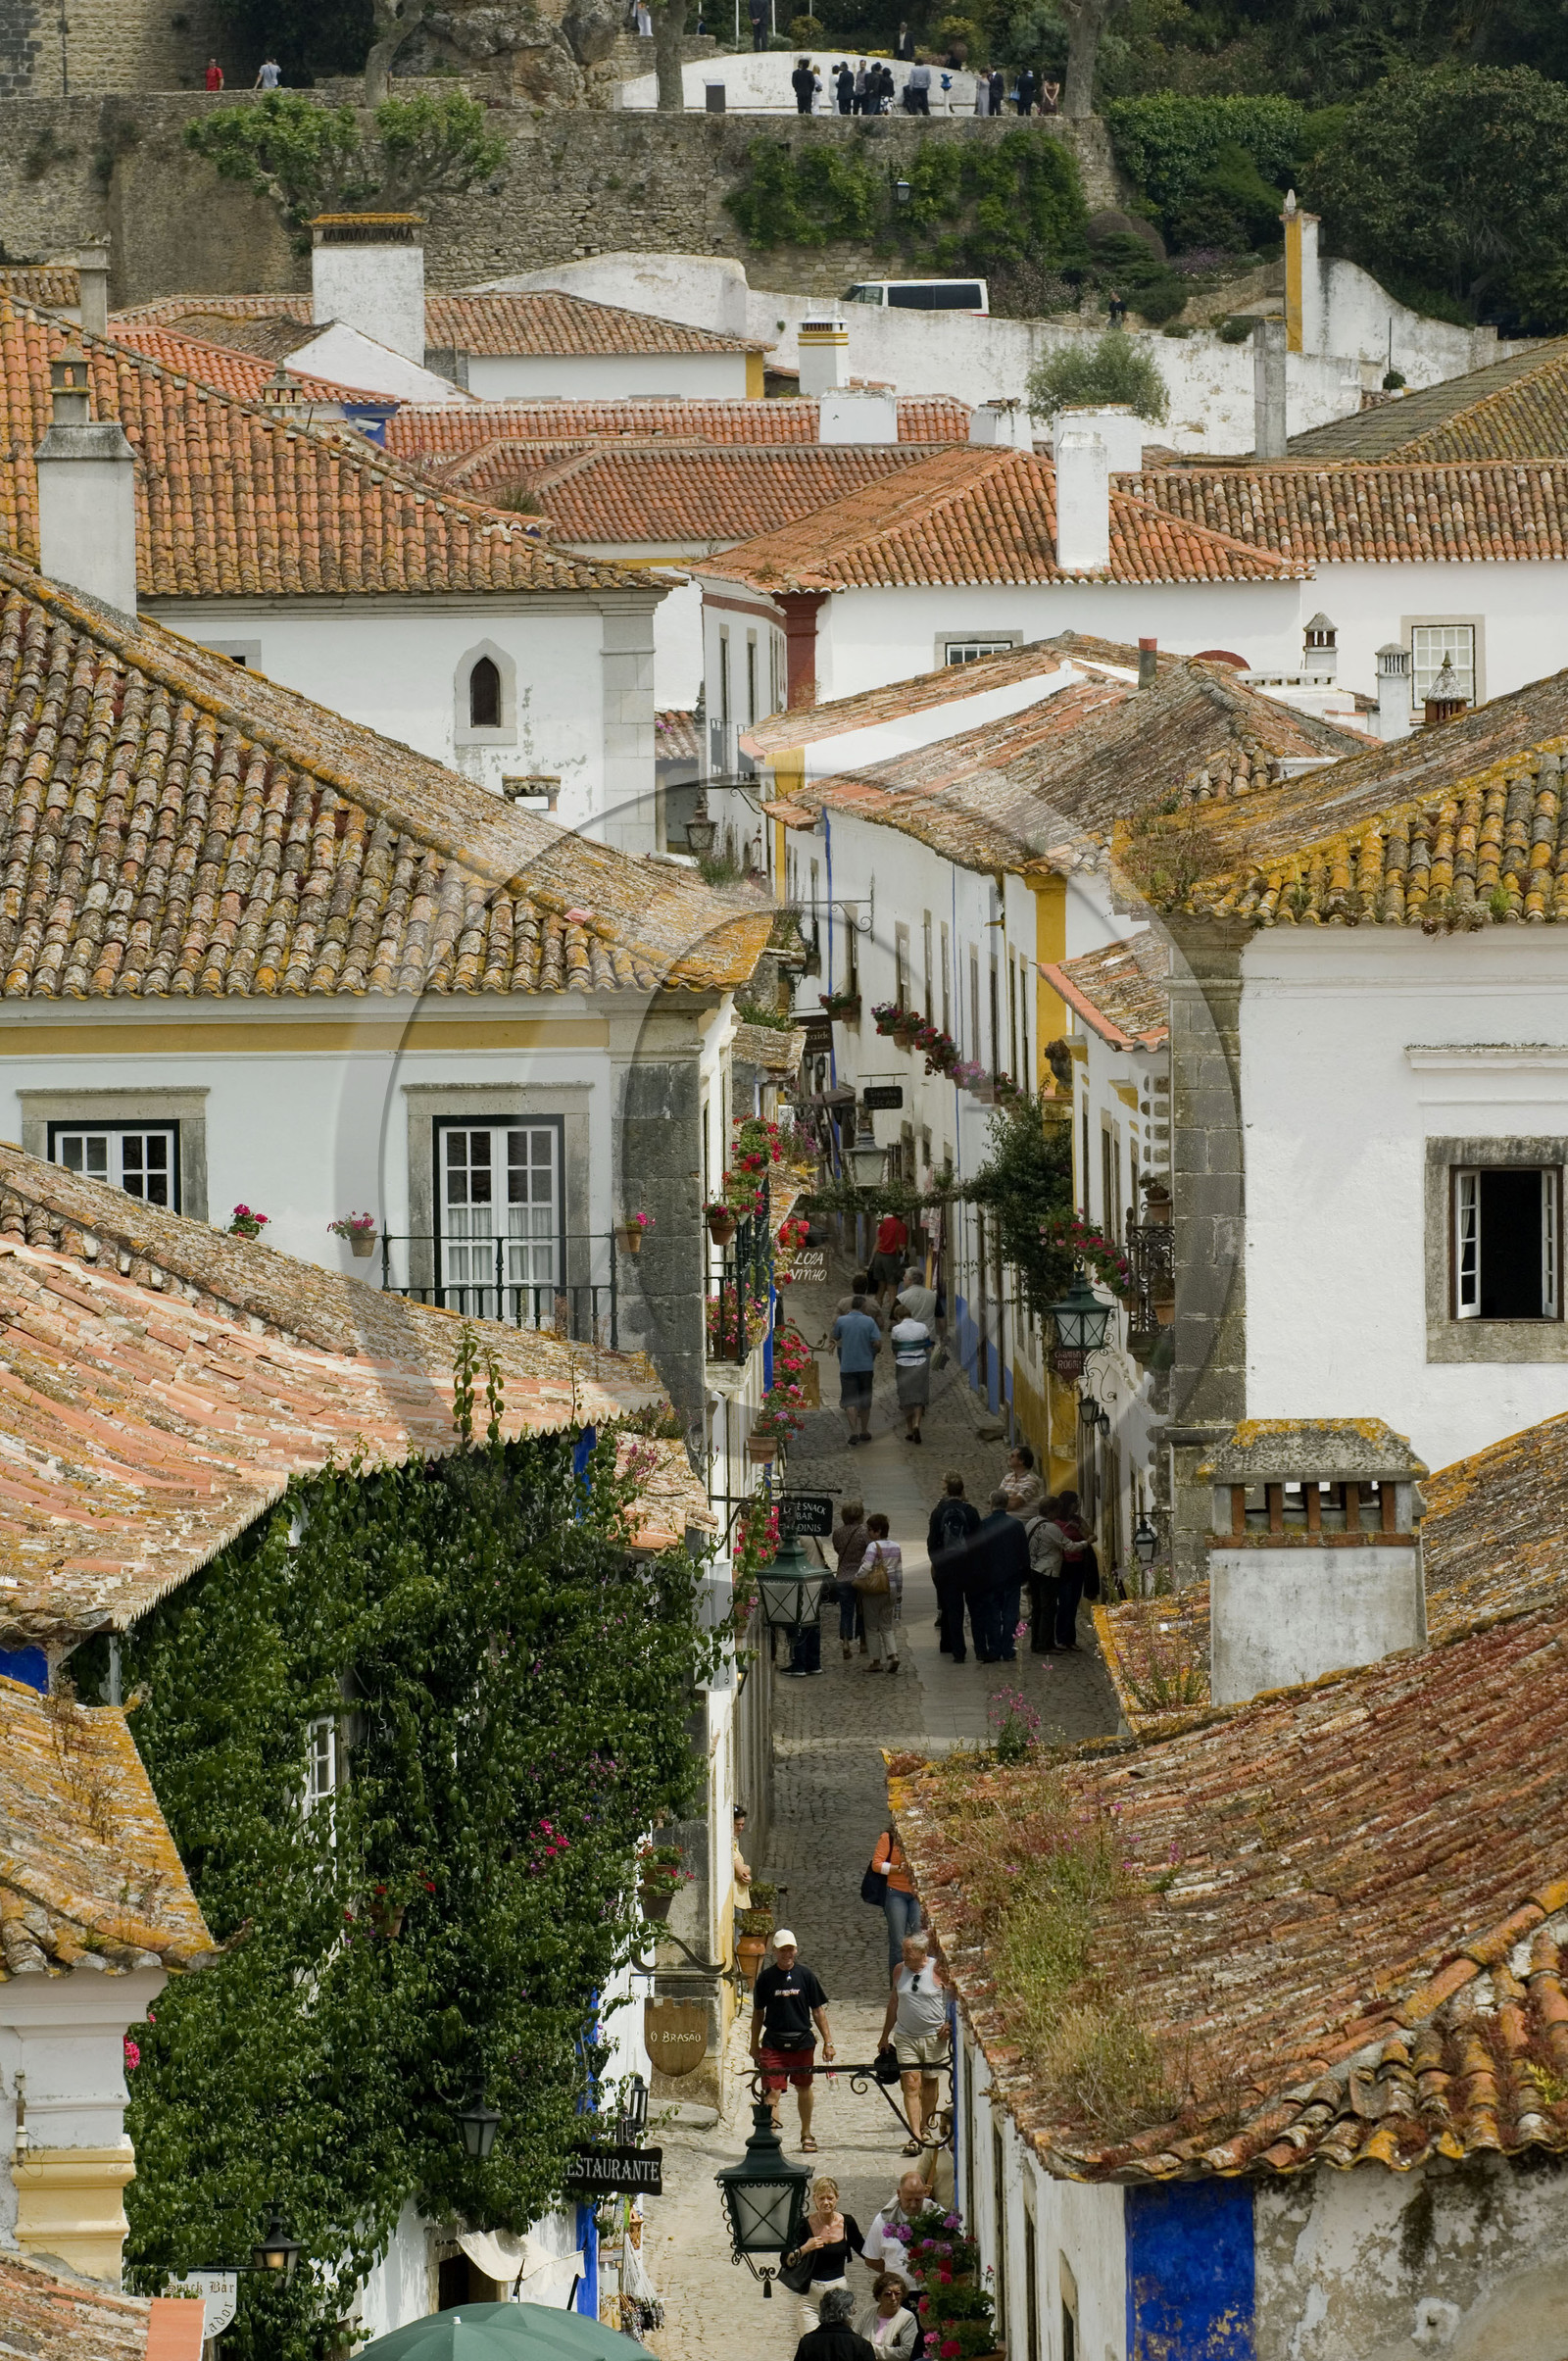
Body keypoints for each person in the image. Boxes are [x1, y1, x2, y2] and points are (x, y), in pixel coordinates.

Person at [752, 1929, 834, 2149]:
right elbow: (758, 2013)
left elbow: (818, 2010)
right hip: (774, 2043)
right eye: (782, 1950)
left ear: (795, 1950)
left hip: (802, 2042)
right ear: (775, 1952)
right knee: (773, 2092)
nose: (787, 1954)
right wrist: (753, 2045)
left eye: (790, 1949)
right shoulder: (766, 1979)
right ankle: (772, 2141)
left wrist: (828, 2042)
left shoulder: (806, 1976)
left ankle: (807, 2134)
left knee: (804, 2088)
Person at [880, 1930, 949, 2154]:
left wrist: (949, 2023)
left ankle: (925, 2127)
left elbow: (953, 1998)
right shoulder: (899, 1970)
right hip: (906, 2036)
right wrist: (884, 2036)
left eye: (908, 1952)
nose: (904, 1956)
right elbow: (893, 2002)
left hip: (933, 2037)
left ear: (922, 1952)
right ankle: (915, 2137)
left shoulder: (938, 1969)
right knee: (910, 2084)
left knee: (929, 2084)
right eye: (903, 1951)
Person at [789, 2180, 865, 2334]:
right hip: (810, 2300)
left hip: (838, 2296)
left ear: (837, 2198)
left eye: (830, 2198)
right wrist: (804, 2248)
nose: (826, 2202)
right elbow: (787, 2261)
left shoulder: (847, 2222)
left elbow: (865, 2251)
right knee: (811, 2345)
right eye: (821, 2198)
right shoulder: (803, 2225)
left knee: (838, 2343)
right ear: (814, 2199)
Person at [928, 1474, 981, 1660]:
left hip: (947, 1567)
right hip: (968, 1567)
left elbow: (932, 1542)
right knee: (974, 1608)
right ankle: (981, 1648)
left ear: (947, 1491)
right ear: (962, 1490)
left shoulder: (938, 1512)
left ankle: (954, 1648)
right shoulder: (971, 1512)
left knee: (952, 1609)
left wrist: (936, 1563)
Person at [975, 1489, 1031, 1661]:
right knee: (1009, 1614)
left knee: (992, 1614)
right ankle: (1008, 1649)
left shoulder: (984, 1525)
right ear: (1006, 1504)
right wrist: (1025, 1574)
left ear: (991, 1504)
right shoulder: (1016, 1525)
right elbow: (1024, 1553)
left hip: (990, 1577)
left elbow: (979, 1553)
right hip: (1012, 1576)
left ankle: (994, 1648)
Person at [1041, 1488, 1095, 1649]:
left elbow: (1092, 1537)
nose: (1077, 1505)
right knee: (1065, 1602)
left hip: (1078, 1566)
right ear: (1067, 1504)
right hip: (1063, 1566)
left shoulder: (1078, 1521)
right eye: (1074, 1502)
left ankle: (1070, 1639)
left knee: (1073, 1603)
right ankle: (1062, 1638)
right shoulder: (1055, 1523)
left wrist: (1078, 1529)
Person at [860, 2169, 929, 2287]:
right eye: (908, 2199)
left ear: (925, 2193)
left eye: (918, 2200)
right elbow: (871, 2258)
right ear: (899, 2193)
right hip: (897, 2292)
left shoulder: (936, 2215)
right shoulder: (883, 2220)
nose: (913, 2205)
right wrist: (894, 2274)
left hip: (930, 2290)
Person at [853, 1514, 902, 1672]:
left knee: (872, 1627)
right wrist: (899, 1591)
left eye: (870, 1529)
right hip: (892, 1589)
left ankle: (876, 1661)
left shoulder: (873, 1547)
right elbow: (899, 1571)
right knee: (887, 1626)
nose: (868, 1532)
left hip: (875, 1590)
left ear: (878, 1531)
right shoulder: (896, 1546)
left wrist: (858, 1578)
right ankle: (893, 1655)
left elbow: (867, 1567)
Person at [869, 1823, 920, 1971]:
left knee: (920, 1936)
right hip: (895, 1892)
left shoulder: (920, 1839)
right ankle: (897, 1984)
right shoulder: (887, 1838)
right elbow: (877, 1864)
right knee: (898, 1942)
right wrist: (898, 1869)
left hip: (916, 1894)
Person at [833, 1294, 881, 1447]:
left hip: (847, 1366)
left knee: (850, 1401)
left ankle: (853, 1431)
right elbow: (877, 1343)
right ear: (864, 1307)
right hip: (866, 1366)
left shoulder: (841, 1320)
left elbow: (835, 1335)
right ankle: (864, 1430)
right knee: (865, 1400)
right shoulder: (869, 1322)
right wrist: (874, 1352)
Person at [793, 2284, 875, 2361]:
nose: (855, 2311)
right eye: (853, 2308)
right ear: (845, 2312)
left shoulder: (806, 2343)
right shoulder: (862, 2346)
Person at [832, 1499, 870, 1659]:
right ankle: (863, 1642)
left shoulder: (838, 1533)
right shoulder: (864, 1532)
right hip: (860, 1577)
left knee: (846, 1612)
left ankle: (846, 1642)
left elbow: (837, 1549)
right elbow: (870, 1551)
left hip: (842, 1577)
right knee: (862, 1611)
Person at [1024, 1493, 1062, 1652]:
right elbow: (1068, 1545)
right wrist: (1086, 1542)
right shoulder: (1052, 1527)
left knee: (1038, 1607)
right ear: (1051, 1511)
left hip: (1033, 1569)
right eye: (1057, 1511)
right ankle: (1045, 1643)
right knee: (1049, 1608)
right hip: (1048, 1572)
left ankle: (1035, 1643)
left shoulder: (1031, 1522)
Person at [890, 1308, 934, 1442]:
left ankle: (909, 1429)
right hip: (920, 1363)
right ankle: (917, 1424)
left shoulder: (896, 1329)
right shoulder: (922, 1327)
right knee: (918, 1397)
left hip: (903, 1364)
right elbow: (928, 1347)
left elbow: (895, 1349)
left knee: (906, 1398)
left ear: (898, 1316)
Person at [858, 2275, 918, 2358]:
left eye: (897, 2294)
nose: (893, 2298)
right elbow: (854, 2341)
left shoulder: (908, 2318)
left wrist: (870, 2349)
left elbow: (906, 2352)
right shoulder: (868, 2313)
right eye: (888, 2294)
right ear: (879, 2297)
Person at [867, 1208, 908, 1309]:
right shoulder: (902, 1226)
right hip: (891, 1259)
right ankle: (893, 1318)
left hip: (879, 1257)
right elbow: (901, 1247)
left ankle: (876, 1313)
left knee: (880, 1289)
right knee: (892, 1291)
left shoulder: (884, 1222)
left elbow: (878, 1241)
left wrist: (872, 1260)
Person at [1001, 1442, 1045, 1518]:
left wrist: (1001, 1504)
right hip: (1004, 1521)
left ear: (1021, 1461)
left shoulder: (1031, 1480)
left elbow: (1014, 1503)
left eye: (1012, 1456)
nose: (1009, 1457)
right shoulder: (1007, 1477)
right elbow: (996, 1500)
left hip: (1021, 1524)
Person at [896, 1264, 937, 1328]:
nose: (903, 1279)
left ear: (910, 1280)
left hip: (907, 1334)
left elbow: (894, 1319)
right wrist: (943, 1334)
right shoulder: (933, 1296)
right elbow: (940, 1317)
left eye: (905, 1277)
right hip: (928, 1333)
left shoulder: (900, 1298)